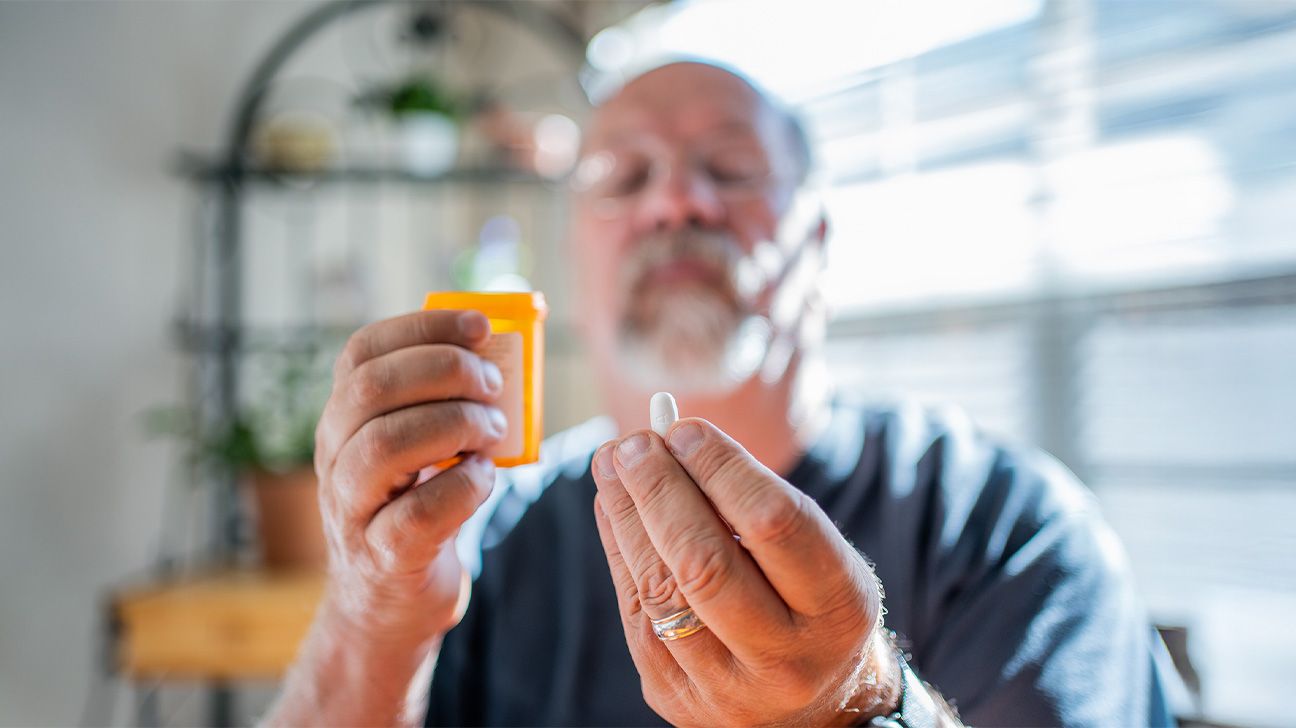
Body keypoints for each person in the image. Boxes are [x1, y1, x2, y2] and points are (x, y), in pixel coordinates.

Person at [267, 61, 1175, 727]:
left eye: (730, 170)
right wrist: (374, 614)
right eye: (625, 177)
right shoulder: (482, 536)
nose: (675, 204)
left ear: (816, 241)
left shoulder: (1008, 528)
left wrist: (860, 710)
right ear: (575, 257)